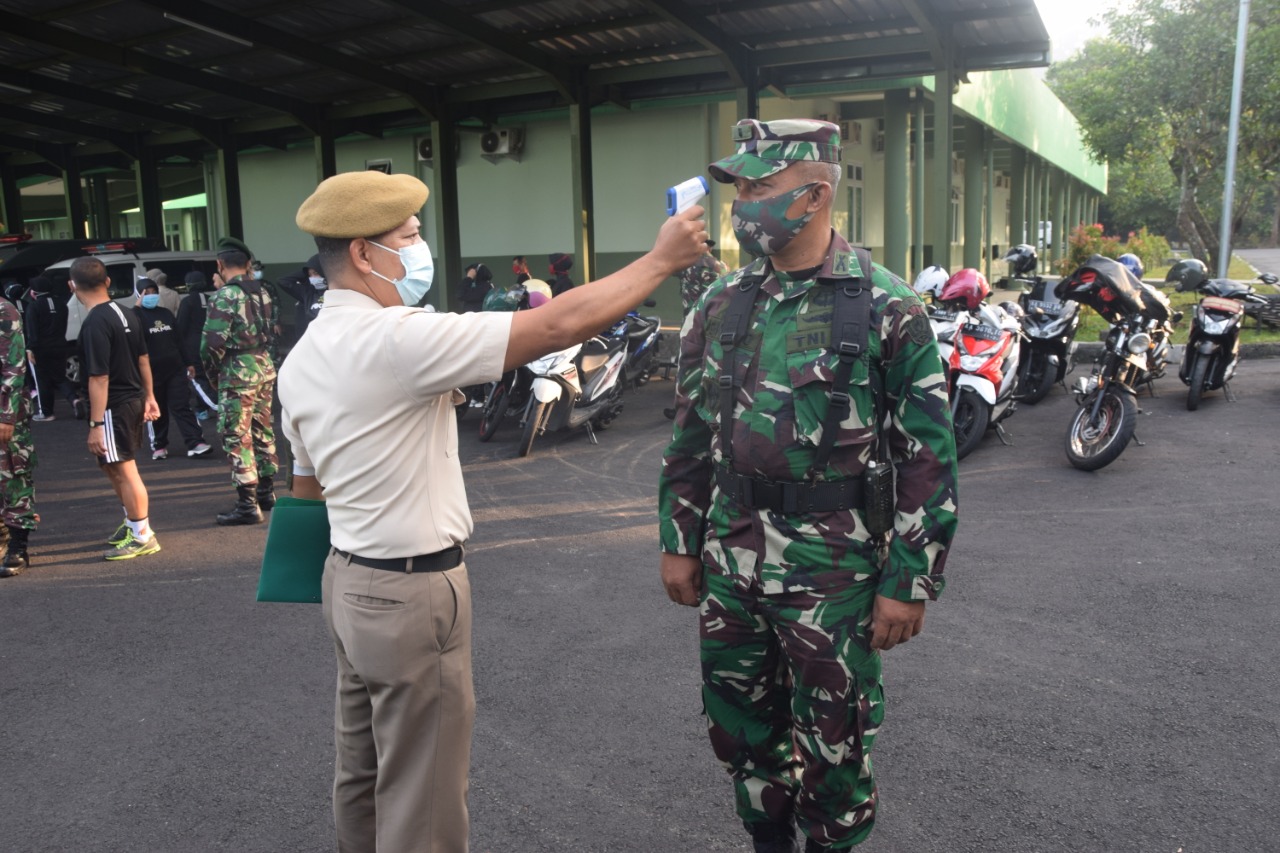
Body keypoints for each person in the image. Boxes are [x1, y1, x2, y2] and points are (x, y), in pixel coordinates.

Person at [277, 169, 705, 853]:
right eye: (410, 237)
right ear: (363, 253)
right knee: (426, 798)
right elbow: (556, 323)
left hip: (348, 581)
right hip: (412, 588)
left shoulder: (302, 356)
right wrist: (661, 260)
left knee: (363, 772)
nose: (421, 251)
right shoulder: (395, 339)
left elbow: (307, 492)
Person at [657, 118, 959, 853]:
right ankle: (768, 840)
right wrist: (678, 539)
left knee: (835, 741)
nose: (744, 203)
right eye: (741, 188)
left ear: (816, 194)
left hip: (836, 572)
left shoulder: (887, 307)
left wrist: (910, 579)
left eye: (760, 187)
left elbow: (927, 457)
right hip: (732, 560)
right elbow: (693, 435)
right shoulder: (722, 303)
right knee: (739, 727)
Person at [71, 257, 163, 561]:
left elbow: (99, 377)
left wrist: (95, 425)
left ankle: (142, 535)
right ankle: (131, 523)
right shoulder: (127, 313)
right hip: (132, 398)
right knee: (110, 464)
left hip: (113, 405)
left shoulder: (96, 322)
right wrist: (149, 395)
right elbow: (144, 359)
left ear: (72, 287)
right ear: (107, 282)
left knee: (124, 468)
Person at [201, 238, 277, 526]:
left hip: (237, 372)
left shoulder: (224, 296)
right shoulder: (263, 292)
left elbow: (211, 344)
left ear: (219, 265)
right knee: (262, 429)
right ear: (247, 265)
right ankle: (267, 494)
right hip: (263, 367)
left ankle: (247, 505)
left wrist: (213, 376)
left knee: (236, 435)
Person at [133, 280, 210, 460]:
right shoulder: (135, 316)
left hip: (175, 369)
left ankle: (195, 442)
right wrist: (136, 307)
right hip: (151, 373)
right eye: (146, 292)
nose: (150, 295)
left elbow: (179, 340)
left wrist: (188, 362)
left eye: (153, 291)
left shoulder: (166, 314)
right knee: (157, 409)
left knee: (181, 405)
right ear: (139, 294)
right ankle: (159, 445)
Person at [0, 296, 38, 575]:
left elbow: (14, 366)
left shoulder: (4, 310)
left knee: (12, 474)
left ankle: (18, 547)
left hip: (4, 410)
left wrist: (6, 415)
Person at [24, 274, 80, 421]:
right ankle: (74, 399)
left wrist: (30, 348)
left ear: (34, 292)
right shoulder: (61, 304)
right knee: (60, 377)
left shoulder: (33, 306)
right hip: (60, 344)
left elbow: (32, 331)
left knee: (42, 380)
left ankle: (47, 413)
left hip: (41, 348)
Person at [176, 271, 220, 421]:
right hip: (214, 343)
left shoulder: (187, 302)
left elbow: (180, 327)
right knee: (214, 375)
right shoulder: (213, 299)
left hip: (194, 347)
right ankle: (210, 405)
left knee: (198, 378)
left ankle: (210, 406)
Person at [276, 254, 327, 343]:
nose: (313, 278)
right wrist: (304, 273)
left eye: (316, 273)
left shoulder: (338, 290)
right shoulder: (308, 293)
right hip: (313, 341)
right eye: (310, 275)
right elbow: (283, 281)